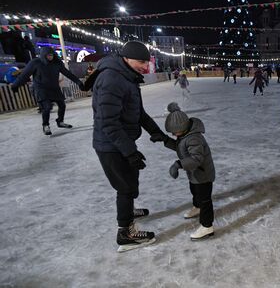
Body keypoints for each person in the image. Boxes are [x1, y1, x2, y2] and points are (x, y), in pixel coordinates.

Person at [91, 41, 168, 252]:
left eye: (147, 61)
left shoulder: (128, 77)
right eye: (141, 62)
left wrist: (155, 131)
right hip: (110, 144)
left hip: (121, 142)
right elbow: (108, 123)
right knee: (125, 186)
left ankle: (129, 210)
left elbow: (138, 113)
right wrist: (130, 152)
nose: (145, 66)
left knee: (131, 180)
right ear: (126, 58)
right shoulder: (112, 79)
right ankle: (125, 232)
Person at [163, 102, 216, 240]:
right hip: (194, 173)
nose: (174, 135)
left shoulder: (194, 138)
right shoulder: (184, 135)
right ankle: (197, 207)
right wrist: (164, 140)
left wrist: (178, 164)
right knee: (195, 191)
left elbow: (197, 158)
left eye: (174, 132)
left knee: (205, 200)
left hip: (203, 173)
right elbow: (180, 147)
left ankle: (207, 226)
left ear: (183, 128)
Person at [11, 47, 85, 135]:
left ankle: (60, 121)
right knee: (47, 107)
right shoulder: (35, 63)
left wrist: (78, 82)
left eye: (52, 55)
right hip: (41, 89)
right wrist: (15, 85)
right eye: (48, 55)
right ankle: (45, 125)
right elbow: (24, 75)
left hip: (54, 88)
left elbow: (67, 73)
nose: (51, 57)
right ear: (43, 55)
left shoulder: (57, 63)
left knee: (62, 105)